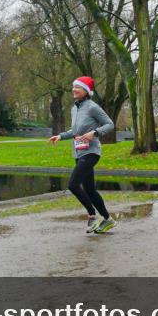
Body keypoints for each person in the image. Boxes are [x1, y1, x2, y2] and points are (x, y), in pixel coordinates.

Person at [49, 76, 116, 234]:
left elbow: (110, 124)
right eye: (73, 87)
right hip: (79, 152)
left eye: (78, 87)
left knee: (73, 185)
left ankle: (92, 215)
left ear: (86, 91)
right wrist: (61, 136)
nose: (74, 90)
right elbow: (75, 131)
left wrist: (95, 133)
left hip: (91, 152)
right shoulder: (74, 109)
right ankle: (108, 219)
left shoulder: (92, 107)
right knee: (90, 190)